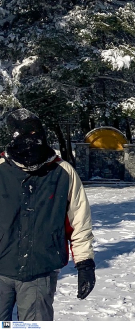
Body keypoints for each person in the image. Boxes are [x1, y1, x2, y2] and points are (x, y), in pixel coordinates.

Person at [0, 108, 95, 321]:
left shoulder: (63, 172)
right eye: (25, 134)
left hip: (40, 270)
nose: (32, 140)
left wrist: (85, 263)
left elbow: (79, 222)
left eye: (36, 133)